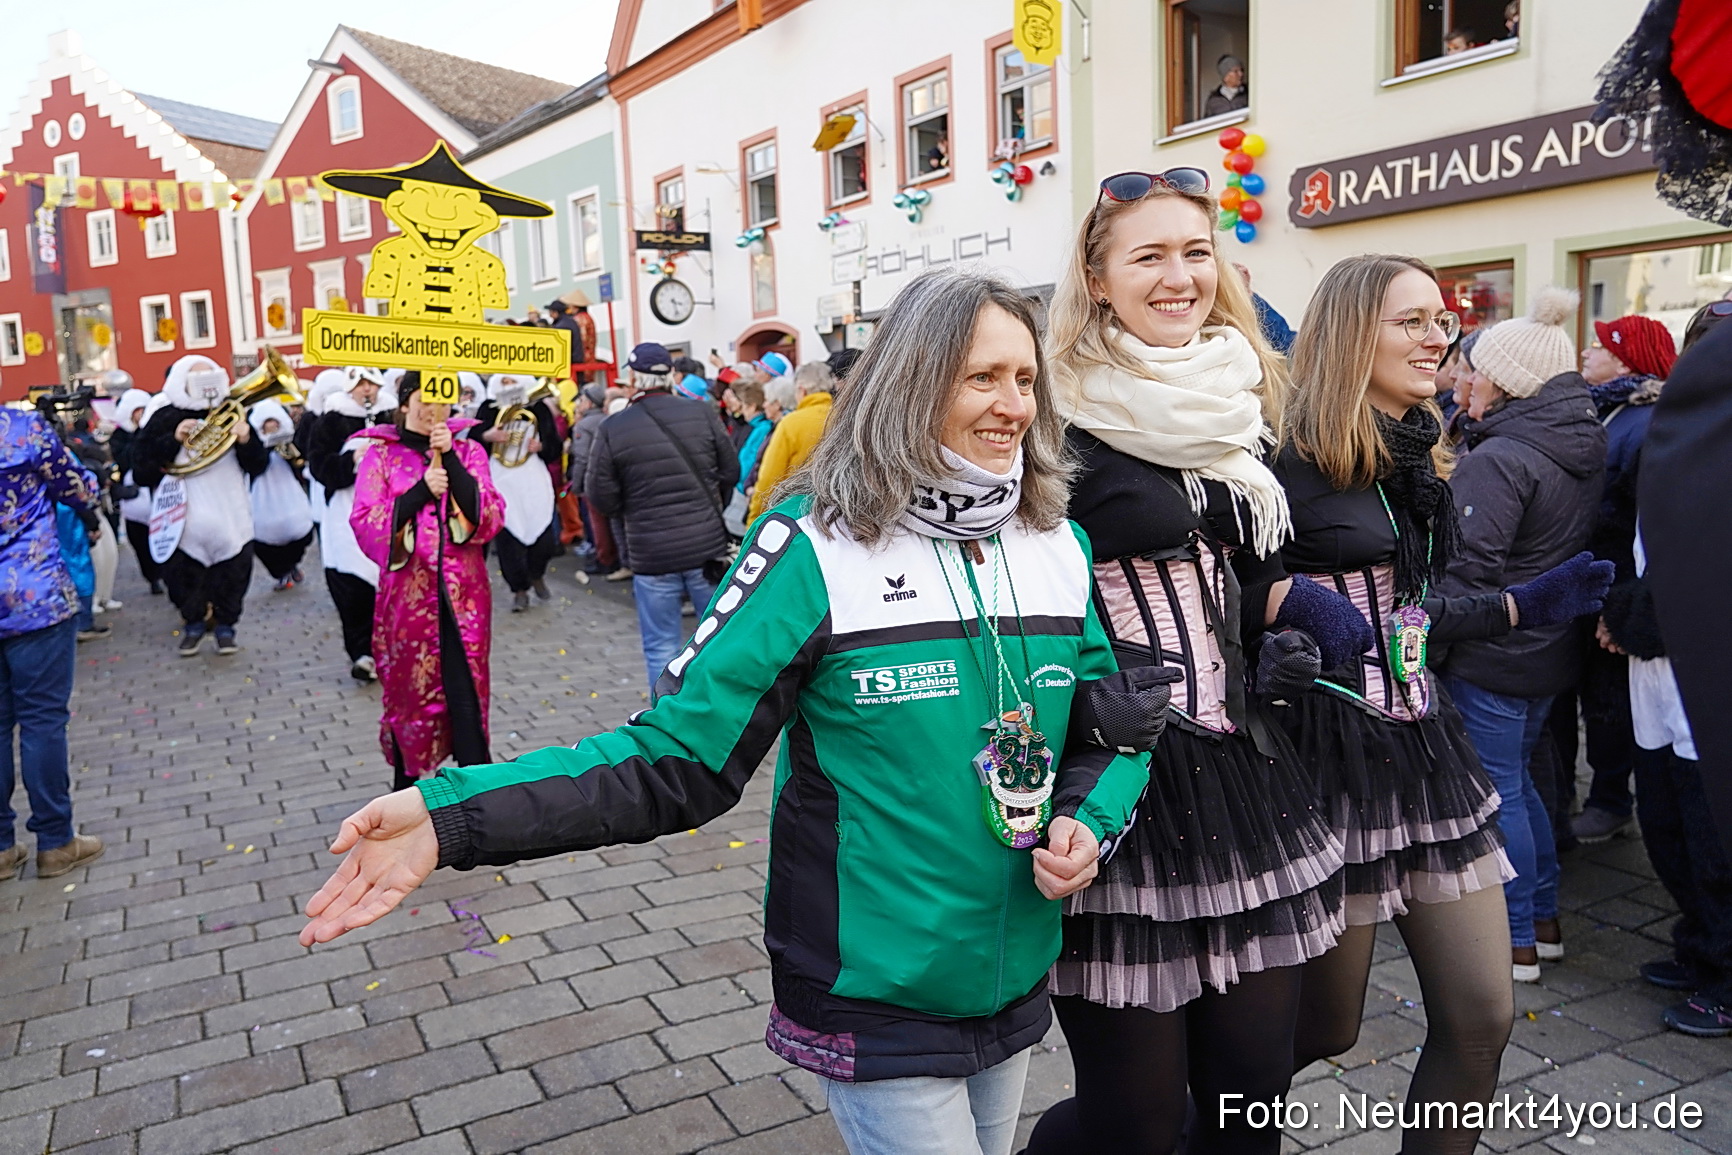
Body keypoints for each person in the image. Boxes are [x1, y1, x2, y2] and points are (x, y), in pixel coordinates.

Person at [300, 268, 1168, 1155]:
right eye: (981, 377)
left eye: (1025, 379)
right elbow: (676, 760)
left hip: (1016, 968)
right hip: (875, 987)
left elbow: (1113, 725)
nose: (1013, 405)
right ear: (912, 378)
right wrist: (453, 816)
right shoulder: (815, 545)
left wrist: (1084, 819)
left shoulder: (1053, 538)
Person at [1026, 168, 1360, 1155]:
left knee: (1251, 1094)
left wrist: (1277, 646)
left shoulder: (1235, 404)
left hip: (1243, 776)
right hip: (1120, 787)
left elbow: (1255, 581)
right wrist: (1086, 702)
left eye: (1193, 251)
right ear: (1096, 277)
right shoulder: (1054, 421)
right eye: (1148, 255)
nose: (1178, 275)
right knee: (1131, 1123)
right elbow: (1011, 615)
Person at [1278, 256, 1607, 1155]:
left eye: (1441, 319)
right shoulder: (1286, 459)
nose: (1439, 337)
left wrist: (1517, 604)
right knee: (1324, 1030)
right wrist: (1283, 612)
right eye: (1411, 321)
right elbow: (1234, 590)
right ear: (1351, 334)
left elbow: (1408, 618)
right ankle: (1185, 1129)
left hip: (1425, 751)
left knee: (1481, 1019)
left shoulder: (1422, 450)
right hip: (1328, 764)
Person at [1439, 288, 1609, 983]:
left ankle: (1515, 942)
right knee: (1530, 783)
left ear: (1504, 382)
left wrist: (1432, 639)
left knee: (1501, 793)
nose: (1462, 379)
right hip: (1546, 647)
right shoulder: (1576, 437)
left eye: (1473, 370)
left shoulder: (1503, 456)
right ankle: (1541, 920)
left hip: (1497, 652)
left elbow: (1469, 570)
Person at [1605, 302, 1732, 1036]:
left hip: (1701, 680)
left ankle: (1725, 974)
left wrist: (1634, 615)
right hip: (1658, 678)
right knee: (1669, 822)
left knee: (1711, 835)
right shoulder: (1682, 432)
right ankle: (1699, 946)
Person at [351, 380, 504, 790]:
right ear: (404, 405)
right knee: (410, 697)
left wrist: (450, 459)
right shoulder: (380, 456)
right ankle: (408, 791)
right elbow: (365, 521)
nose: (431, 410)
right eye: (422, 401)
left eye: (440, 401)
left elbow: (488, 513)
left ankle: (477, 792)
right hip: (408, 602)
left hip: (464, 601)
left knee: (466, 693)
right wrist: (420, 492)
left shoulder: (469, 450)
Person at [1570, 313, 1677, 843]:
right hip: (1600, 575)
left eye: (1601, 345)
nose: (1587, 352)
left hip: (1620, 581)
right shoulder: (1611, 410)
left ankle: (1611, 800)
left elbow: (1637, 511)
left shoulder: (1646, 420)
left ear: (1627, 358)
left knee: (1610, 697)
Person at [586, 344, 739, 690]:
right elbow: (730, 471)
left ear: (632, 378)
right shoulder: (701, 413)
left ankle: (667, 725)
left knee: (661, 646)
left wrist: (632, 510)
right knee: (717, 639)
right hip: (706, 547)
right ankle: (719, 717)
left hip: (651, 552)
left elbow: (600, 496)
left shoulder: (614, 427)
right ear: (670, 375)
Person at [0, 406, 103, 880]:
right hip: (34, 596)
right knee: (42, 720)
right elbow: (78, 487)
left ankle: (1, 847)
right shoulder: (23, 428)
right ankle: (56, 841)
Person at [133, 355, 271, 657]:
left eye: (210, 376)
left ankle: (226, 627)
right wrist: (173, 438)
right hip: (183, 514)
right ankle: (193, 623)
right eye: (196, 377)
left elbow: (258, 466)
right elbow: (141, 468)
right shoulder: (165, 416)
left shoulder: (232, 412)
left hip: (230, 509)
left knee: (234, 571)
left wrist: (247, 439)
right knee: (182, 574)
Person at [308, 366, 394, 683]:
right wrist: (352, 459)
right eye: (360, 385)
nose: (366, 391)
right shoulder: (330, 421)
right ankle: (363, 653)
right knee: (354, 586)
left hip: (389, 509)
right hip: (346, 511)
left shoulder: (393, 414)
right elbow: (319, 465)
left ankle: (393, 652)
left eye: (371, 384)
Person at [476, 373, 560, 612]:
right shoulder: (488, 408)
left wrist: (542, 446)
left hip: (532, 476)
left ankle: (537, 574)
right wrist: (487, 436)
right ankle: (519, 589)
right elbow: (473, 441)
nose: (509, 386)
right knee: (508, 537)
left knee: (543, 535)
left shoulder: (538, 408)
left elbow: (555, 444)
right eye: (504, 382)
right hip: (501, 477)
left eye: (512, 381)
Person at [747, 361, 836, 524]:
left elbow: (769, 479)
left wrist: (754, 519)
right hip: (838, 515)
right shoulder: (843, 416)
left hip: (798, 515)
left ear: (802, 390)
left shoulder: (791, 423)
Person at [247, 400, 314, 592]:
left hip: (289, 494)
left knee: (301, 533)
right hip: (262, 496)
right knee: (263, 541)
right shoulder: (253, 446)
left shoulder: (290, 441)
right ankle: (281, 572)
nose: (271, 428)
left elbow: (300, 463)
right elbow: (254, 465)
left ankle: (292, 565)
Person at [110, 387, 163, 596]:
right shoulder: (120, 437)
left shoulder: (154, 432)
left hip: (154, 489)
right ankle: (152, 577)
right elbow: (124, 459)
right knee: (140, 541)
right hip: (134, 495)